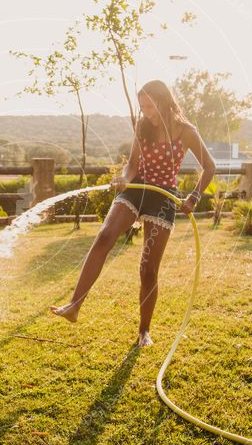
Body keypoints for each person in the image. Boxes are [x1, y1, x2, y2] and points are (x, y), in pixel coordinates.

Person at [51, 79, 217, 346]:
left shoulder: (185, 131)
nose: (146, 112)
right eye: (142, 107)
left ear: (163, 101)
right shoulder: (142, 126)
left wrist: (194, 196)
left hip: (163, 198)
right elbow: (131, 164)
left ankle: (144, 331)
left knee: (148, 270)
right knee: (105, 236)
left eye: (149, 105)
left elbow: (210, 166)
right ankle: (74, 305)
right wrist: (124, 178)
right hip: (136, 189)